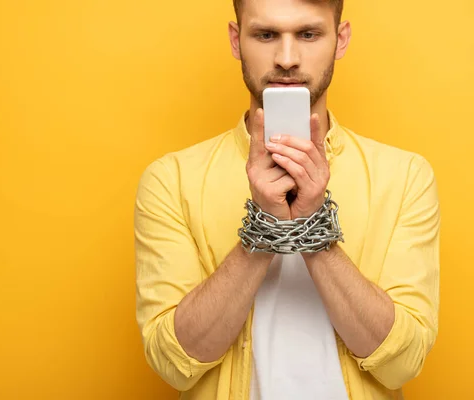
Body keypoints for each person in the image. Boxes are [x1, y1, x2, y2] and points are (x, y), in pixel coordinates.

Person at [134, 0, 440, 398]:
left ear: (340, 39)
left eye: (308, 34)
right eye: (265, 35)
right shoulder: (170, 180)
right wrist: (263, 227)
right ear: (235, 39)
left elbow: (404, 360)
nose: (287, 58)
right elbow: (174, 361)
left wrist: (313, 225)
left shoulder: (405, 177)